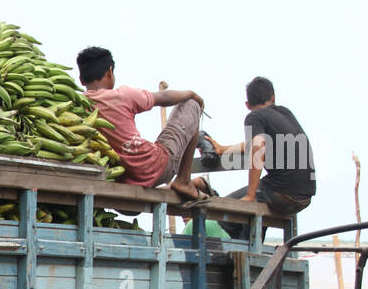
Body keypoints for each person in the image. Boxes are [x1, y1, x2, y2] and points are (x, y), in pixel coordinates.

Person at [77, 46, 213, 202]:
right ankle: (184, 180)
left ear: (81, 80)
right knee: (191, 105)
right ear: (110, 72)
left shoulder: (78, 107)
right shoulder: (123, 95)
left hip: (121, 179)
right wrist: (192, 94)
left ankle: (186, 183)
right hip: (156, 166)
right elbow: (166, 97)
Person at [202, 76, 316, 226]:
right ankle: (256, 245)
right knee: (258, 205)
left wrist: (250, 195)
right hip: (305, 197)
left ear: (247, 105)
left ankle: (238, 246)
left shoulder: (254, 117)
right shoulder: (285, 113)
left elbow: (258, 145)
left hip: (282, 194)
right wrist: (223, 149)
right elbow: (258, 142)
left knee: (221, 209)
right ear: (273, 97)